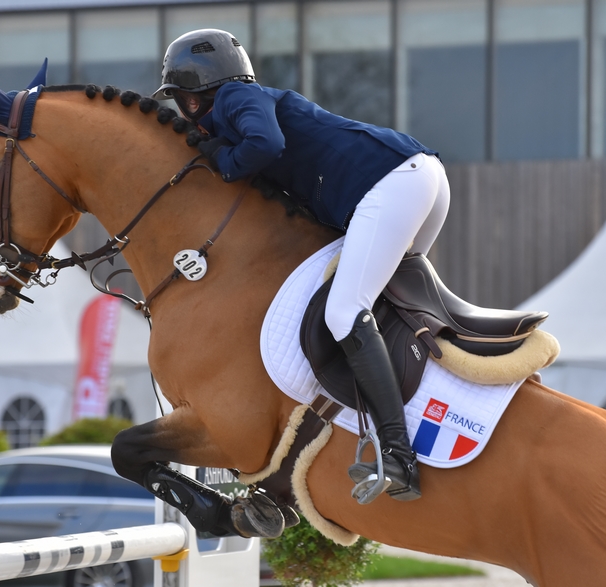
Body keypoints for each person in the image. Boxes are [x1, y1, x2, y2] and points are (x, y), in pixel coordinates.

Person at [153, 28, 451, 503]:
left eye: (183, 103)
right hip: (417, 174)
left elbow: (265, 144)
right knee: (385, 307)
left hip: (393, 182)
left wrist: (218, 158)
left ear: (201, 92)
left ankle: (399, 455)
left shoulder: (234, 96)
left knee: (344, 312)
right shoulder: (246, 99)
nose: (185, 115)